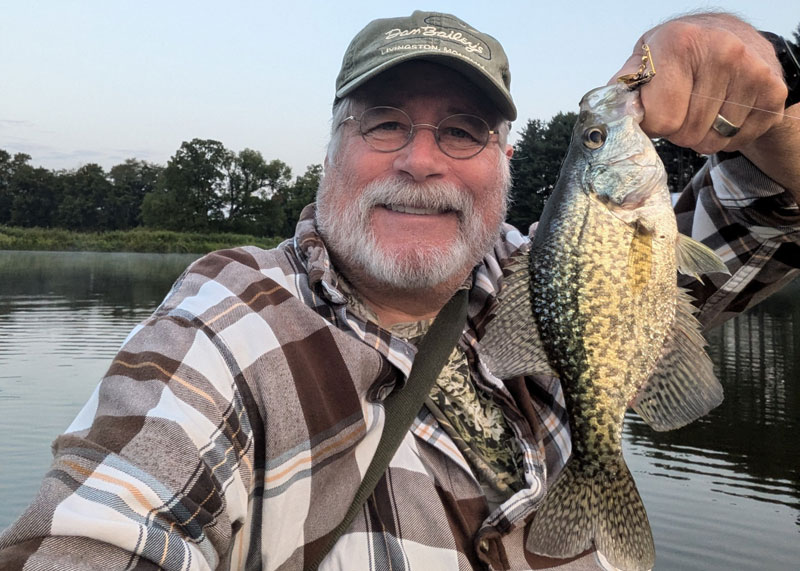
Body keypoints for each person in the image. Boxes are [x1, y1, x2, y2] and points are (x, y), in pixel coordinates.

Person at [0, 10, 798, 571]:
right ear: (332, 149)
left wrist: (768, 80)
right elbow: (107, 528)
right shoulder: (226, 328)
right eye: (385, 123)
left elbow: (776, 206)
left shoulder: (551, 267)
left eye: (460, 130)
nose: (421, 160)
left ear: (506, 161)